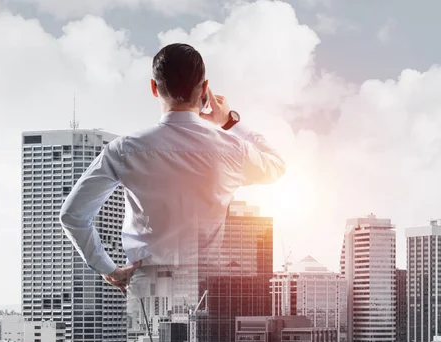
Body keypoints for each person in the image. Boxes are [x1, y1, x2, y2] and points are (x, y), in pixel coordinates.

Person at [59, 43, 286, 297]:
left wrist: (107, 268)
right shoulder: (231, 149)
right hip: (209, 289)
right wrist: (228, 122)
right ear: (204, 89)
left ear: (154, 88)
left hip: (147, 284)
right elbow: (276, 166)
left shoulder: (125, 149)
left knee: (147, 339)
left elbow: (73, 215)